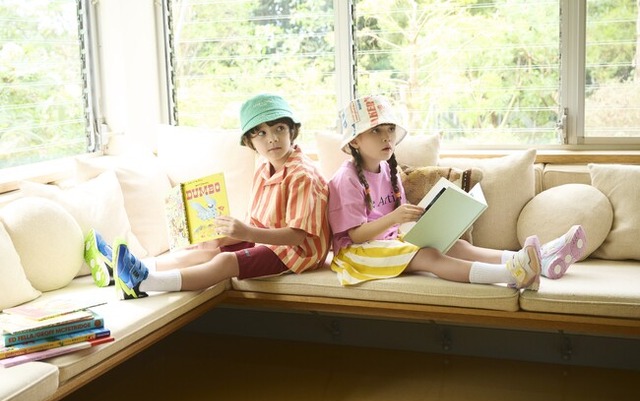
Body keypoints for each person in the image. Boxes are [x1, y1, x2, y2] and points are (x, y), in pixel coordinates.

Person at [85, 93, 331, 299]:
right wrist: (224, 236)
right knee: (208, 249)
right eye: (261, 133)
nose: (273, 138)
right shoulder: (263, 166)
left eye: (280, 129)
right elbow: (261, 222)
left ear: (292, 131)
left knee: (225, 262)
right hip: (270, 240)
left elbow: (296, 236)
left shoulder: (302, 175)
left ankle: (143, 283)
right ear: (250, 141)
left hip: (298, 252)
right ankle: (122, 269)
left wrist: (246, 233)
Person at [327, 94, 586, 289]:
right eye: (376, 130)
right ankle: (514, 274)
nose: (387, 137)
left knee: (455, 244)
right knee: (430, 256)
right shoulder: (346, 179)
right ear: (355, 140)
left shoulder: (389, 170)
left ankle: (539, 259)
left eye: (390, 129)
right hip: (356, 254)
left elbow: (398, 226)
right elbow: (356, 236)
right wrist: (395, 218)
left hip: (389, 241)